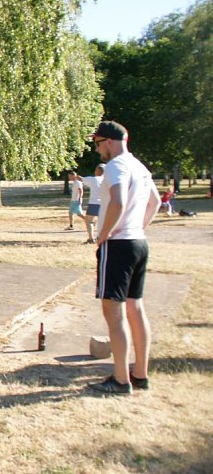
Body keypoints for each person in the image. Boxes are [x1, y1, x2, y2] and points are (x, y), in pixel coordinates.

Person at [88, 121, 160, 395]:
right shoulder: (139, 167)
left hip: (118, 245)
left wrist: (104, 234)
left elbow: (117, 202)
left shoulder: (116, 166)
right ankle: (140, 374)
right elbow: (155, 201)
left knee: (114, 313)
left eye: (98, 144)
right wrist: (139, 227)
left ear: (108, 141)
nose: (97, 150)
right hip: (138, 243)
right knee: (135, 308)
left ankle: (120, 380)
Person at [81, 165, 105, 243]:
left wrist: (76, 176)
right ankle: (100, 237)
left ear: (97, 171)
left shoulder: (93, 179)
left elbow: (81, 179)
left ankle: (91, 238)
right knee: (102, 222)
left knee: (88, 220)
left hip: (94, 203)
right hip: (104, 203)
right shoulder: (106, 180)